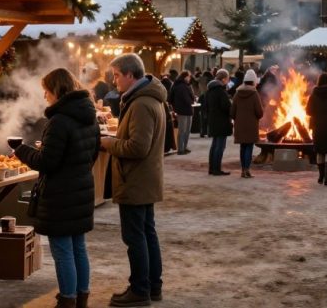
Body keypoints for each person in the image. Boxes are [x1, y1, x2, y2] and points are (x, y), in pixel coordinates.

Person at [13, 69, 99, 308]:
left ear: (58, 91)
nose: (44, 95)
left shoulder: (59, 120)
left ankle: (68, 301)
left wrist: (21, 150)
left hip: (61, 195)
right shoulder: (88, 115)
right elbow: (92, 153)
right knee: (78, 248)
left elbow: (46, 163)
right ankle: (81, 298)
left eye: (47, 90)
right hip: (81, 189)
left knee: (62, 251)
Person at [101, 54, 167, 306]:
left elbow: (138, 147)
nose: (114, 80)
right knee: (146, 233)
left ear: (130, 75)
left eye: (117, 75)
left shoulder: (141, 104)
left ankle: (140, 290)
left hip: (136, 179)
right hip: (144, 179)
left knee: (135, 236)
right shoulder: (146, 99)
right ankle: (152, 286)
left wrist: (109, 143)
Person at [232, 69, 264, 178]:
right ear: (254, 81)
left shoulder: (237, 93)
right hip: (251, 126)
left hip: (240, 126)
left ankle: (242, 170)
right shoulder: (254, 94)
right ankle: (247, 170)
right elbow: (259, 112)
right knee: (249, 148)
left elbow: (232, 111)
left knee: (243, 147)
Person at [204, 69, 233, 175]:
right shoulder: (221, 91)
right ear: (224, 79)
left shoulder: (209, 91)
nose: (228, 81)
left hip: (213, 121)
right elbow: (226, 107)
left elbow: (205, 107)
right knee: (220, 146)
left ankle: (212, 168)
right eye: (228, 79)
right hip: (221, 122)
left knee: (214, 145)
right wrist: (230, 103)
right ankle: (216, 169)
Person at [170, 71, 195, 155]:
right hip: (184, 110)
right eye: (189, 77)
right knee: (183, 130)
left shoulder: (176, 85)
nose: (190, 78)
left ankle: (183, 147)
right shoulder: (183, 86)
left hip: (182, 110)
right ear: (185, 77)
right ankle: (181, 149)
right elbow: (187, 98)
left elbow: (170, 98)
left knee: (185, 130)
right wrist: (192, 102)